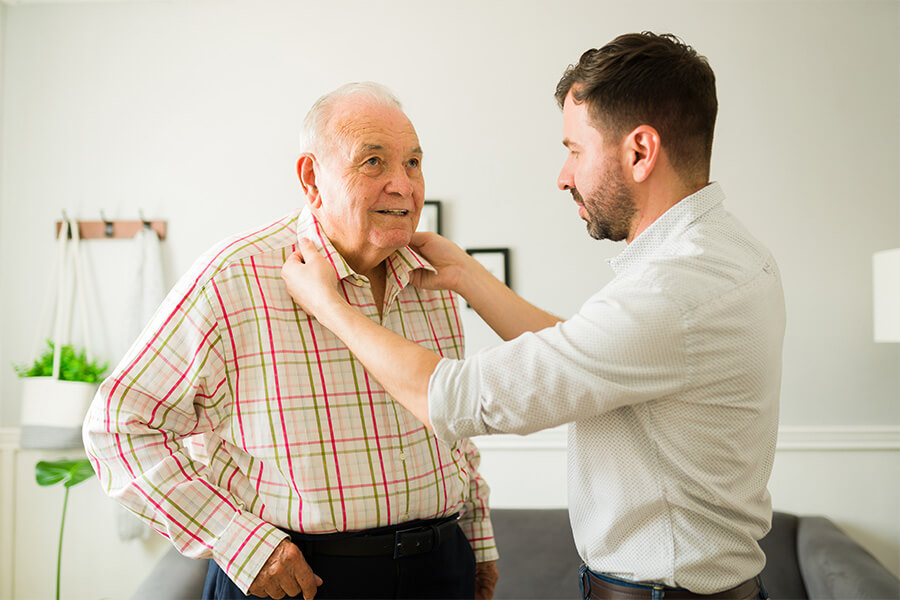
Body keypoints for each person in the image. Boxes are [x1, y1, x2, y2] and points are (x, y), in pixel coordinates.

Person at [281, 33, 786, 600]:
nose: (563, 175)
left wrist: (329, 305)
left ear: (640, 152)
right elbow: (586, 355)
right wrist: (469, 277)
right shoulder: (731, 255)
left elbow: (454, 398)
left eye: (575, 149)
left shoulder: (673, 291)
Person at [83, 82, 499, 600]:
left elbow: (452, 432)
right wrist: (237, 541)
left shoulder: (431, 278)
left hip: (440, 568)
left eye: (413, 162)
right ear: (311, 177)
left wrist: (476, 542)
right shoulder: (234, 276)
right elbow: (118, 427)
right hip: (301, 580)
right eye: (373, 162)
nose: (403, 184)